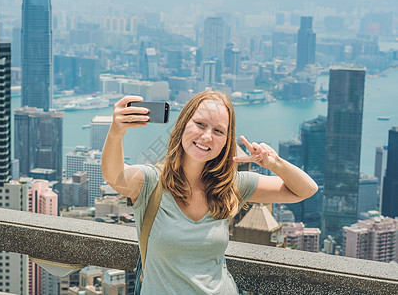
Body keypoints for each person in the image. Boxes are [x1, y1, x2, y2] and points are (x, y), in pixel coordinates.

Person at [102, 90, 318, 295]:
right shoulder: (151, 182)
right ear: (183, 125)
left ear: (226, 141)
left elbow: (305, 190)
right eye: (200, 124)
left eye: (218, 131)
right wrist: (116, 132)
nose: (206, 136)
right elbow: (116, 177)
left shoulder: (230, 185)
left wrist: (273, 162)